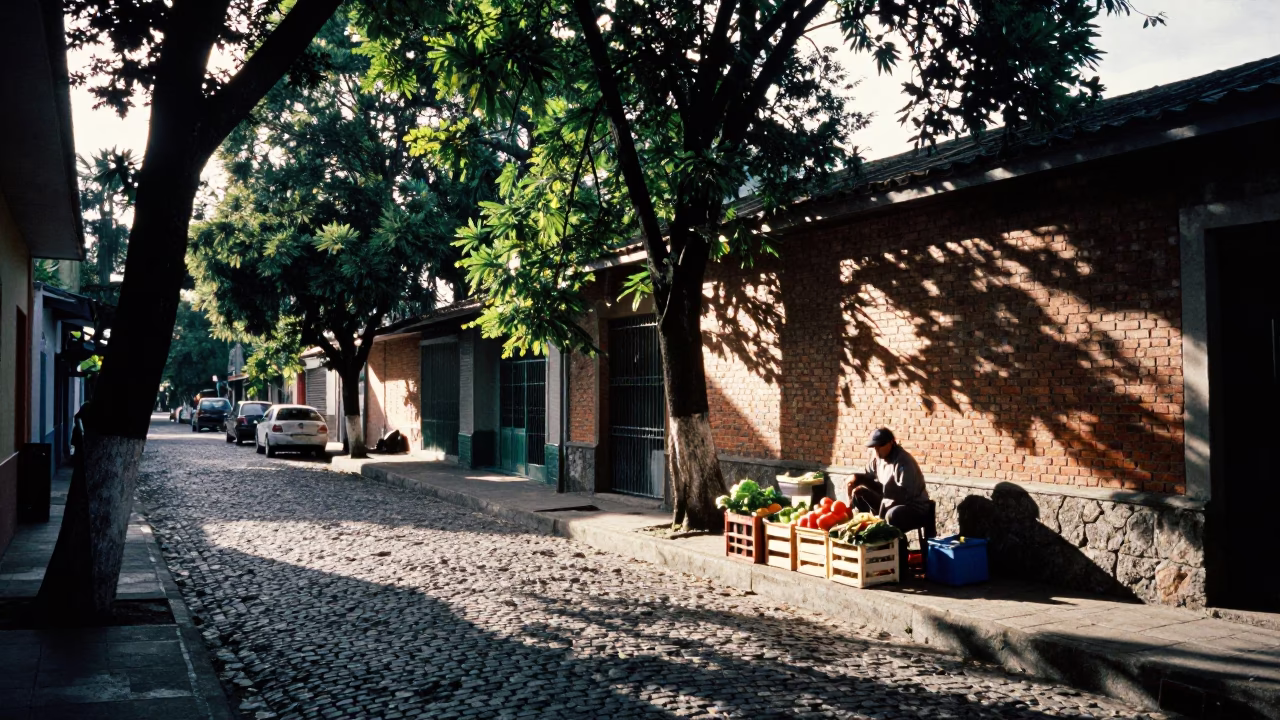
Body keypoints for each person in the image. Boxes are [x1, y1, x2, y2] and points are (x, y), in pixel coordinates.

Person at [844, 428, 931, 534]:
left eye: (880, 446)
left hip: (914, 508)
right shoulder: (877, 459)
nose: (876, 450)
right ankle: (863, 534)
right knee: (859, 494)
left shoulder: (903, 461)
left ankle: (896, 547)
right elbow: (871, 480)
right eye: (874, 447)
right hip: (887, 502)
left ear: (891, 442)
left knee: (892, 514)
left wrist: (880, 517)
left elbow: (902, 496)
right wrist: (858, 479)